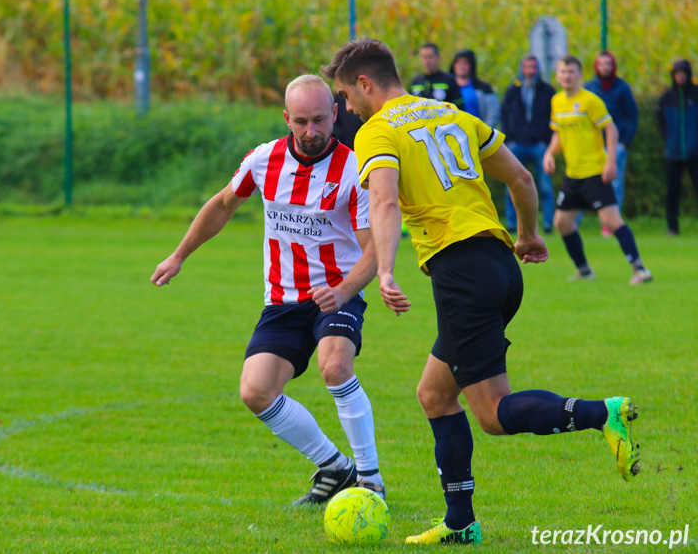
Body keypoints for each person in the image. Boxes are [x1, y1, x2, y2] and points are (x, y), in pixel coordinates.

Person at [323, 37, 640, 546]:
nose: (345, 107)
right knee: (434, 394)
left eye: (344, 95)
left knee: (493, 413)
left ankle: (603, 412)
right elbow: (521, 179)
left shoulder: (377, 131)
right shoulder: (451, 112)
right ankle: (460, 521)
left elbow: (383, 202)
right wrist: (530, 234)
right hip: (498, 263)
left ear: (364, 84)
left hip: (461, 274)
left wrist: (384, 270)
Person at [151, 74, 385, 506]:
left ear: (335, 114)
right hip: (282, 299)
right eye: (300, 122)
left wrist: (344, 289)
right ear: (286, 118)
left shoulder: (356, 170)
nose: (311, 131)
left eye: (319, 120)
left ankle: (371, 481)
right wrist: (179, 255)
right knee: (255, 391)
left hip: (338, 293)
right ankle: (335, 469)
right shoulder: (264, 160)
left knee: (335, 367)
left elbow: (373, 253)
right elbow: (223, 204)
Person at [543, 55, 653, 285]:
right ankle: (584, 270)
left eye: (571, 71)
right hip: (573, 175)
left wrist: (610, 161)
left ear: (580, 75)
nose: (566, 76)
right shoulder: (557, 101)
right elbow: (558, 134)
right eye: (563, 72)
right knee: (561, 224)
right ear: (557, 75)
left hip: (595, 172)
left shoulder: (590, 100)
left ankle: (640, 269)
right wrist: (550, 154)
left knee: (612, 221)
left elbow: (611, 130)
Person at [584, 51, 639, 235]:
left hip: (615, 145)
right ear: (596, 67)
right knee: (583, 180)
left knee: (615, 184)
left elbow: (632, 115)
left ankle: (610, 224)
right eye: (601, 64)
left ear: (613, 66)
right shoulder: (590, 87)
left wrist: (624, 142)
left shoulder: (622, 88)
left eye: (608, 64)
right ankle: (570, 223)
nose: (605, 67)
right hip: (592, 145)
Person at [500, 53, 557, 234]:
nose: (530, 71)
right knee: (512, 183)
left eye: (533, 67)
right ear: (522, 69)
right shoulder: (513, 90)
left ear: (538, 69)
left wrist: (546, 140)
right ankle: (512, 222)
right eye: (527, 67)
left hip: (539, 145)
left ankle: (548, 223)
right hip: (517, 144)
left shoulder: (547, 90)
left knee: (545, 186)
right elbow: (505, 115)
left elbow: (553, 117)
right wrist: (509, 139)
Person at [657, 59, 698, 236]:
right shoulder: (667, 97)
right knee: (672, 190)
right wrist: (668, 140)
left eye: (683, 72)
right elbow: (660, 123)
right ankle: (672, 227)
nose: (680, 76)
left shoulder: (696, 94)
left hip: (695, 151)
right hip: (673, 152)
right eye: (676, 73)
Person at [449, 49, 500, 128]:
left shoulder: (484, 89)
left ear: (471, 65)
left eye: (465, 63)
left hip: (477, 135)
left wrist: (485, 133)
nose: (461, 66)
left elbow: (493, 113)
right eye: (458, 62)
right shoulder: (446, 88)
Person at [410, 43, 465, 109]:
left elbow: (459, 107)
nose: (427, 61)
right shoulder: (415, 82)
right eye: (424, 57)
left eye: (430, 57)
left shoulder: (449, 80)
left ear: (438, 57)